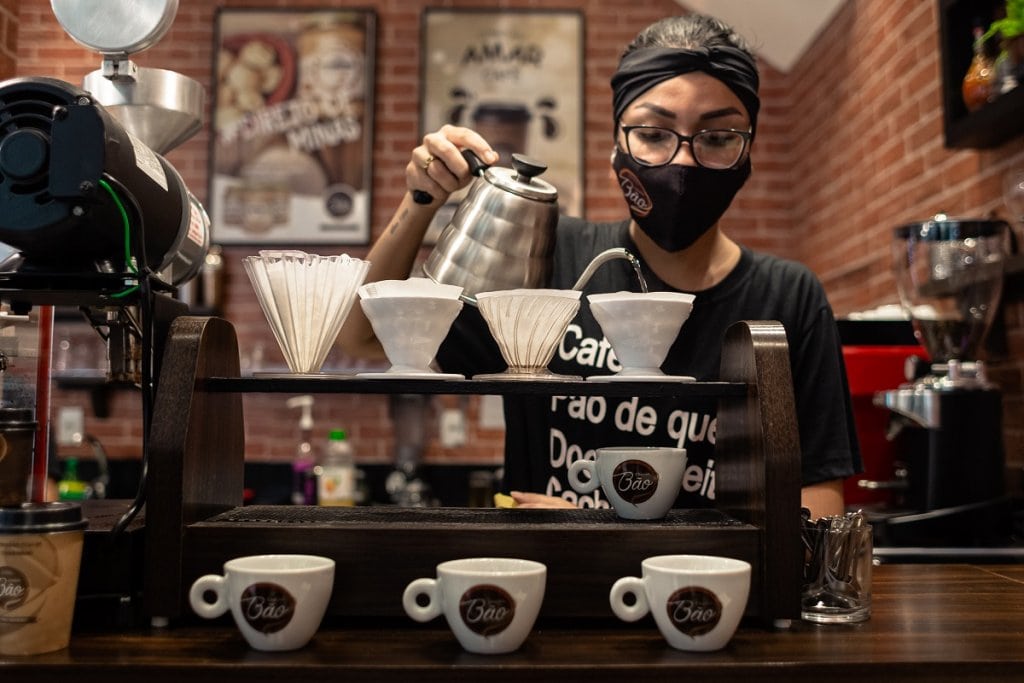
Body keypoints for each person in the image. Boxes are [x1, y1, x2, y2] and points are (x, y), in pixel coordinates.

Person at [338, 14, 861, 519]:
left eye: (718, 138)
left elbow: (816, 506)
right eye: (654, 134)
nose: (682, 162)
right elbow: (362, 338)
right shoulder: (549, 257)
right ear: (617, 145)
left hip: (705, 601)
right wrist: (419, 202)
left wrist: (612, 535)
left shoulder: (789, 297)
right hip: (545, 594)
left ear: (747, 152)